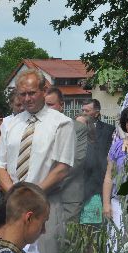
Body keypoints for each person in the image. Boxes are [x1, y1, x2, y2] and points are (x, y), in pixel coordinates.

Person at [0, 69, 75, 253]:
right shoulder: (10, 124)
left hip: (44, 207)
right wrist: (15, 197)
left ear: (43, 90)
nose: (27, 99)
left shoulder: (61, 123)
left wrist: (31, 196)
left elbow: (62, 168)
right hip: (13, 210)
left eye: (31, 93)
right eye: (22, 94)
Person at [45, 87, 89, 223]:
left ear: (61, 105)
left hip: (68, 195)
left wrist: (48, 183)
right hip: (42, 195)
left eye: (50, 105)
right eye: (44, 105)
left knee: (69, 239)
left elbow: (77, 160)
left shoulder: (78, 128)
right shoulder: (37, 129)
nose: (47, 109)